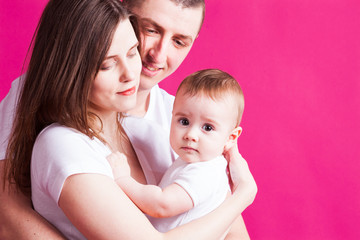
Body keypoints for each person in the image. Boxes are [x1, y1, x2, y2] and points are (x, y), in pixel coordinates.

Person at [3, 0, 256, 239]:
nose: (157, 55)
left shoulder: (176, 119)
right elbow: (7, 213)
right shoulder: (59, 135)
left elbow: (225, 218)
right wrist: (243, 195)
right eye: (151, 30)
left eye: (179, 41)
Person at [111, 69, 245, 236]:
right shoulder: (194, 163)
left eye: (208, 127)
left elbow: (161, 205)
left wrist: (123, 179)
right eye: (184, 121)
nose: (191, 135)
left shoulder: (205, 172)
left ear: (231, 138)